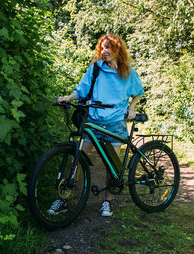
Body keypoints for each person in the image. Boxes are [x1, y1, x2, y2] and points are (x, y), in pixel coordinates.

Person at [50, 34, 144, 217]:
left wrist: (131, 109)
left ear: (117, 50)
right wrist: (68, 98)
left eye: (109, 47)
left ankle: (107, 202)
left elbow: (138, 92)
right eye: (102, 47)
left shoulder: (127, 71)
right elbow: (81, 89)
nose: (104, 51)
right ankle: (64, 199)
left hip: (115, 122)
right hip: (94, 120)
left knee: (112, 167)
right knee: (76, 160)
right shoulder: (95, 69)